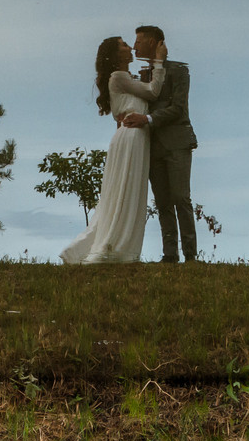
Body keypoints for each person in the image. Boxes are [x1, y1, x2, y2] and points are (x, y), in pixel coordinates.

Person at [60, 37, 163, 264]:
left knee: (126, 191)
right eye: (124, 45)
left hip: (132, 134)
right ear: (117, 56)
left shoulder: (124, 78)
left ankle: (119, 245)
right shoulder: (118, 77)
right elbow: (153, 92)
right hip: (132, 135)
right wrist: (159, 64)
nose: (129, 48)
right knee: (126, 190)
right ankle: (116, 246)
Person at [116, 24, 198, 264]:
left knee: (181, 198)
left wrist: (148, 118)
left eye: (139, 41)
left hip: (176, 143)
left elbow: (178, 108)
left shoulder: (179, 71)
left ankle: (191, 256)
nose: (135, 45)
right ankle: (170, 254)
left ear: (153, 42)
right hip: (151, 146)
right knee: (162, 202)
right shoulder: (140, 76)